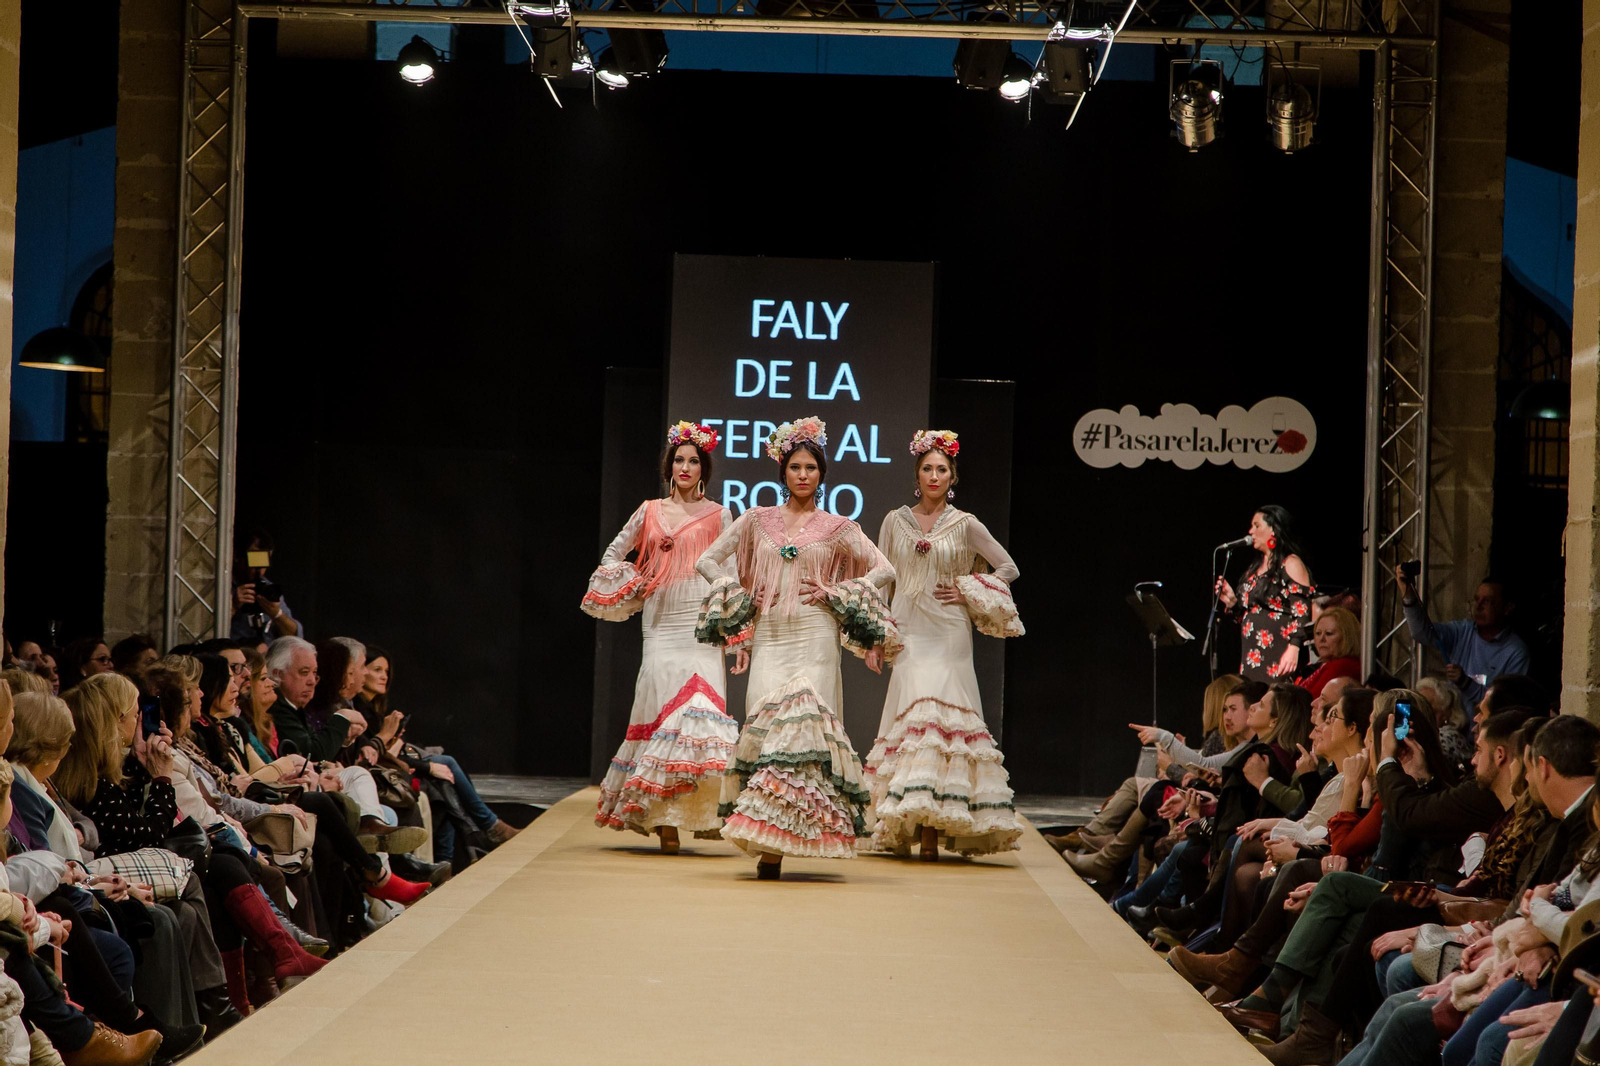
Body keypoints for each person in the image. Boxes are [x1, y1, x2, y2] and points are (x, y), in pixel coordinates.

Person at [694, 415, 899, 881]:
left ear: (822, 475)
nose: (803, 475)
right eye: (795, 467)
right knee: (768, 734)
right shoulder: (755, 520)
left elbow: (884, 570)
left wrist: (837, 593)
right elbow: (707, 561)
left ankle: (786, 845)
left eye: (811, 468)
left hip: (816, 638)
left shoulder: (839, 527)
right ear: (782, 472)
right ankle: (769, 840)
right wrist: (737, 594)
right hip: (772, 637)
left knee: (805, 738)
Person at [863, 430, 1025, 861]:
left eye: (942, 469)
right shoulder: (894, 521)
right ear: (917, 475)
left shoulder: (965, 523)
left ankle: (937, 822)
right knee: (914, 720)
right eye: (927, 469)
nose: (934, 475)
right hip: (909, 631)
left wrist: (970, 587)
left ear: (952, 477)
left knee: (941, 724)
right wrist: (876, 637)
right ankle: (910, 819)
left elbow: (1008, 567)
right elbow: (882, 579)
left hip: (950, 632)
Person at [582, 422, 740, 852]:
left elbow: (731, 576)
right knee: (659, 713)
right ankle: (663, 820)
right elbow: (613, 554)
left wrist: (736, 633)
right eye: (678, 459)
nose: (685, 466)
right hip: (660, 622)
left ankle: (688, 812)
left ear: (703, 466)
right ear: (668, 465)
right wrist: (635, 579)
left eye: (693, 460)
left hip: (700, 625)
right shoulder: (649, 510)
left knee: (698, 712)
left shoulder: (719, 514)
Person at [1397, 564, 1530, 708]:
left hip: (1485, 729)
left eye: (1487, 601)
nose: (1478, 607)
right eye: (1476, 599)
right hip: (1453, 726)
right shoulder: (1463, 631)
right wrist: (1408, 593)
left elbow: (1504, 705)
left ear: (1507, 608)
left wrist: (1465, 683)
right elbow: (1422, 633)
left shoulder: (1516, 652)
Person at [1214, 505, 1315, 681]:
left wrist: (1294, 647)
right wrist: (1232, 602)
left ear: (1274, 529)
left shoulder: (1289, 563)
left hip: (1279, 654)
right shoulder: (1253, 570)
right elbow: (1249, 614)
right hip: (1253, 657)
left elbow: (1302, 610)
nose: (1250, 531)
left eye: (1257, 525)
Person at [229, 527, 300, 648]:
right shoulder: (222, 586)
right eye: (255, 559)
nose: (259, 568)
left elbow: (295, 637)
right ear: (237, 556)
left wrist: (277, 614)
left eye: (264, 560)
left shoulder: (266, 587)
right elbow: (204, 629)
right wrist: (233, 606)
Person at [1295, 605, 1361, 697]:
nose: (1321, 639)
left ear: (1347, 637)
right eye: (1318, 633)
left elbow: (1310, 700)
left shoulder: (1342, 666)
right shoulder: (1328, 664)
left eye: (1329, 633)